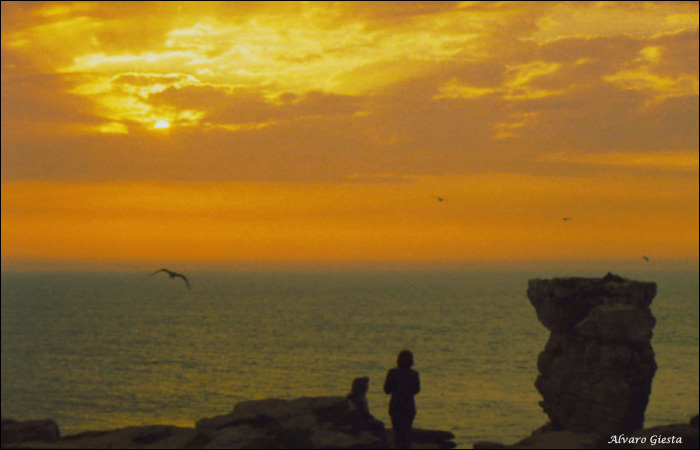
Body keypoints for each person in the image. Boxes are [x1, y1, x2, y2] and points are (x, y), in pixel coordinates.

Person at [384, 350, 420, 449]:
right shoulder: (414, 374)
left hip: (395, 406)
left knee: (398, 434)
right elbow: (416, 390)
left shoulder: (392, 373)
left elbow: (386, 390)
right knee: (406, 434)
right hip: (409, 407)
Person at [346, 376, 387, 446]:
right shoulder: (355, 399)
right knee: (379, 425)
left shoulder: (358, 397)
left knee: (378, 424)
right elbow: (362, 414)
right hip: (359, 422)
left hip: (361, 421)